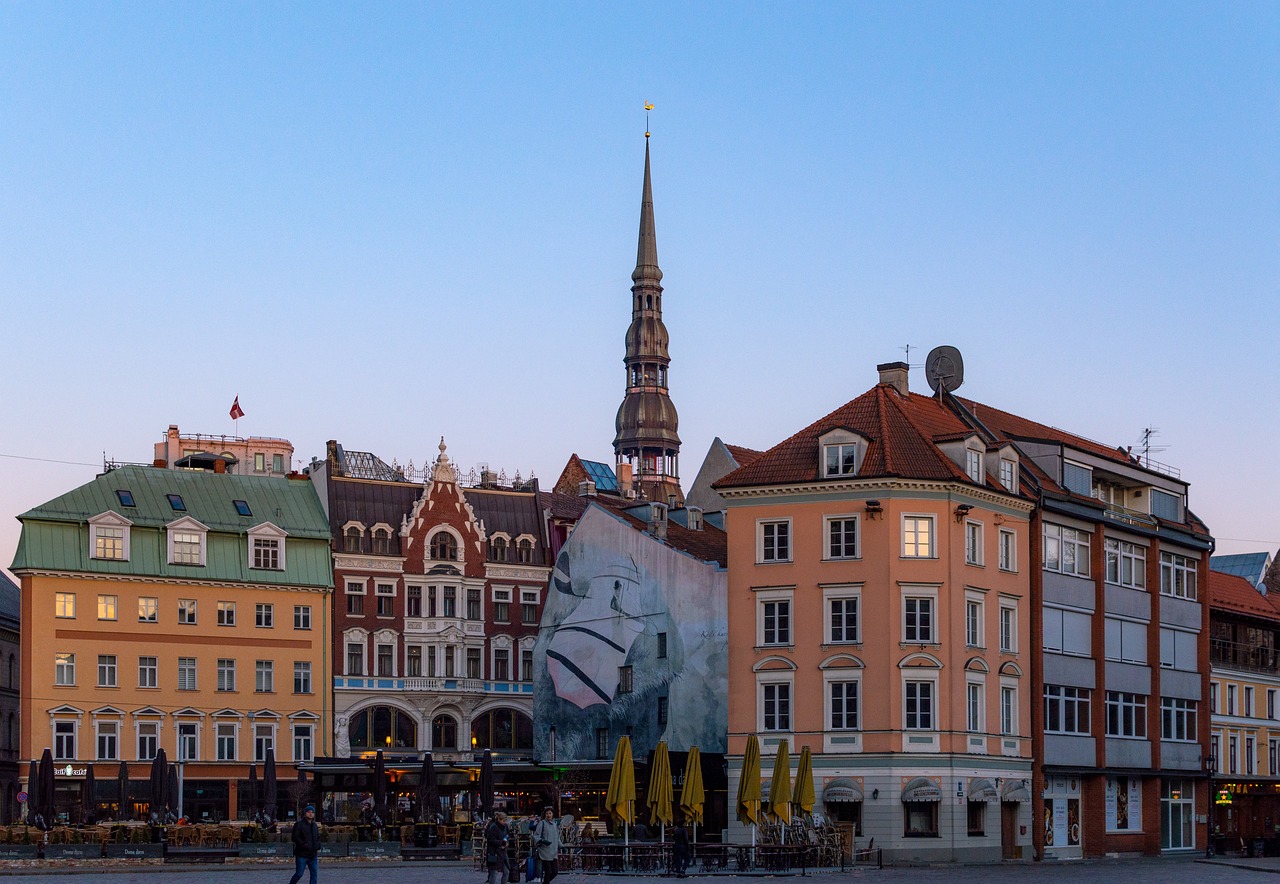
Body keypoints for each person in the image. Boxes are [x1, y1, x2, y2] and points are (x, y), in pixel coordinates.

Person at [288, 804, 321, 884]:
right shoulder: (299, 824)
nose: (311, 814)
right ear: (305, 813)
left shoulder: (314, 825)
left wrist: (318, 846)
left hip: (313, 855)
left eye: (312, 812)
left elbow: (317, 837)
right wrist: (304, 845)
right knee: (299, 874)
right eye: (309, 812)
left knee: (314, 874)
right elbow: (295, 837)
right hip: (302, 854)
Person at [532, 806, 561, 884]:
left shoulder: (554, 824)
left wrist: (561, 846)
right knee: (548, 872)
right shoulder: (542, 823)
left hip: (553, 851)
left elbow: (557, 837)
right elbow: (536, 835)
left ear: (552, 814)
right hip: (545, 851)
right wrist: (542, 841)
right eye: (547, 813)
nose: (548, 815)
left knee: (555, 872)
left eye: (550, 813)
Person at [484, 811, 511, 884]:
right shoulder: (493, 827)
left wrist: (506, 843)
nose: (504, 822)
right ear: (499, 819)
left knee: (506, 871)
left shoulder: (505, 827)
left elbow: (507, 836)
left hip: (503, 852)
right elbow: (490, 840)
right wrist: (501, 843)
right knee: (494, 873)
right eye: (503, 821)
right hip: (494, 852)